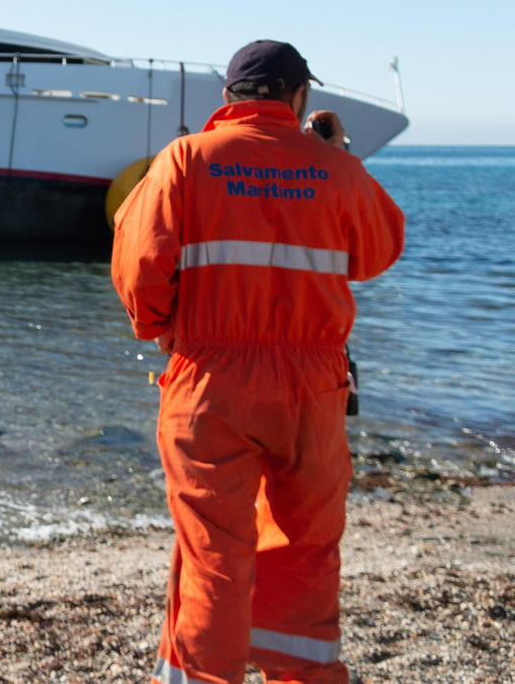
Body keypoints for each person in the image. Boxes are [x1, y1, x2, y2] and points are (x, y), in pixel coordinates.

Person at [112, 40, 405, 684]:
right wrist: (337, 155)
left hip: (210, 378)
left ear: (228, 99)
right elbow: (379, 251)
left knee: (212, 549)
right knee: (306, 548)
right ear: (299, 99)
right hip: (312, 385)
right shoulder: (335, 168)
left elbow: (139, 268)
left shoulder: (186, 160)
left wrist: (163, 329)